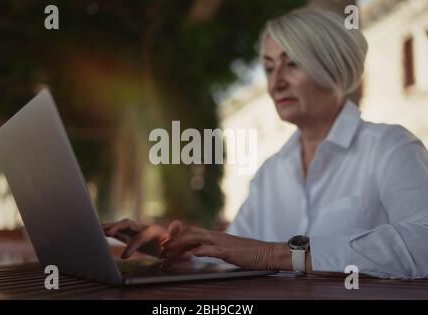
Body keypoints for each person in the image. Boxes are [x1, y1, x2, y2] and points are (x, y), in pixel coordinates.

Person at [103, 7, 428, 279]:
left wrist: (276, 254)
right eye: (270, 68)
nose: (276, 82)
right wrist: (166, 246)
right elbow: (227, 256)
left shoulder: (390, 147)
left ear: (332, 65)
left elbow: (423, 243)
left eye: (292, 63)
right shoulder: (271, 173)